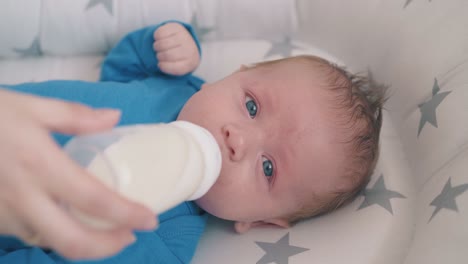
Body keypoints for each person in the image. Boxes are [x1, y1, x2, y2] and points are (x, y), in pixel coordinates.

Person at [0, 19, 386, 263]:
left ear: (259, 220)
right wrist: (167, 42)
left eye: (267, 168)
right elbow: (121, 67)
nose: (238, 140)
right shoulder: (181, 86)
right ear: (236, 74)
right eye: (251, 106)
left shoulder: (167, 240)